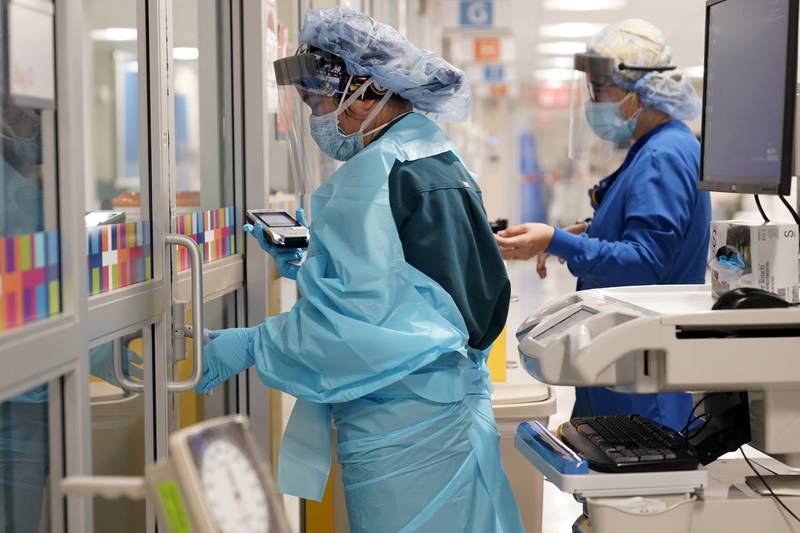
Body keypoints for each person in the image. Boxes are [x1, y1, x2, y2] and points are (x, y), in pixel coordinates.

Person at [197, 8, 522, 532]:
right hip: (444, 410)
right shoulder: (431, 153)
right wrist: (315, 264)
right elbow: (411, 282)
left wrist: (255, 344)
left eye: (320, 101)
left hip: (407, 424)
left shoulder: (376, 175)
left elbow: (363, 328)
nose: (318, 117)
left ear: (365, 88)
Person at [495, 19, 711, 431]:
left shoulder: (664, 154)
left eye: (600, 89)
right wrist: (585, 233)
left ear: (641, 91)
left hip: (645, 385)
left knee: (639, 491)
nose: (594, 102)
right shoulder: (654, 147)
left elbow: (645, 261)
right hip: (626, 366)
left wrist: (557, 240)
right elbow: (642, 233)